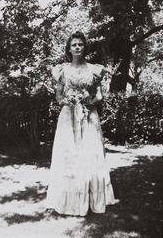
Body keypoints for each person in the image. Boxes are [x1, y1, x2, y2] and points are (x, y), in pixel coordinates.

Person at [46, 31, 117, 216]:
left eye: (80, 44)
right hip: (68, 117)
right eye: (74, 45)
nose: (77, 47)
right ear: (69, 49)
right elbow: (58, 96)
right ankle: (68, 201)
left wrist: (87, 103)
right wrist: (68, 101)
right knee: (69, 154)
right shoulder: (61, 70)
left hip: (88, 116)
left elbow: (99, 96)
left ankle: (92, 198)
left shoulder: (94, 69)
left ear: (85, 47)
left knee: (89, 154)